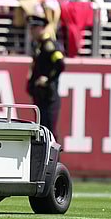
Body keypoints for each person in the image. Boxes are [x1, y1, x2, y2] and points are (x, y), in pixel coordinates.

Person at [26, 10, 65, 141]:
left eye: (34, 28)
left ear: (42, 28)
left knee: (49, 132)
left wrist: (47, 80)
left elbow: (60, 64)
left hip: (49, 96)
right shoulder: (38, 45)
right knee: (41, 131)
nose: (32, 31)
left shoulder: (49, 45)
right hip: (40, 95)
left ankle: (53, 161)